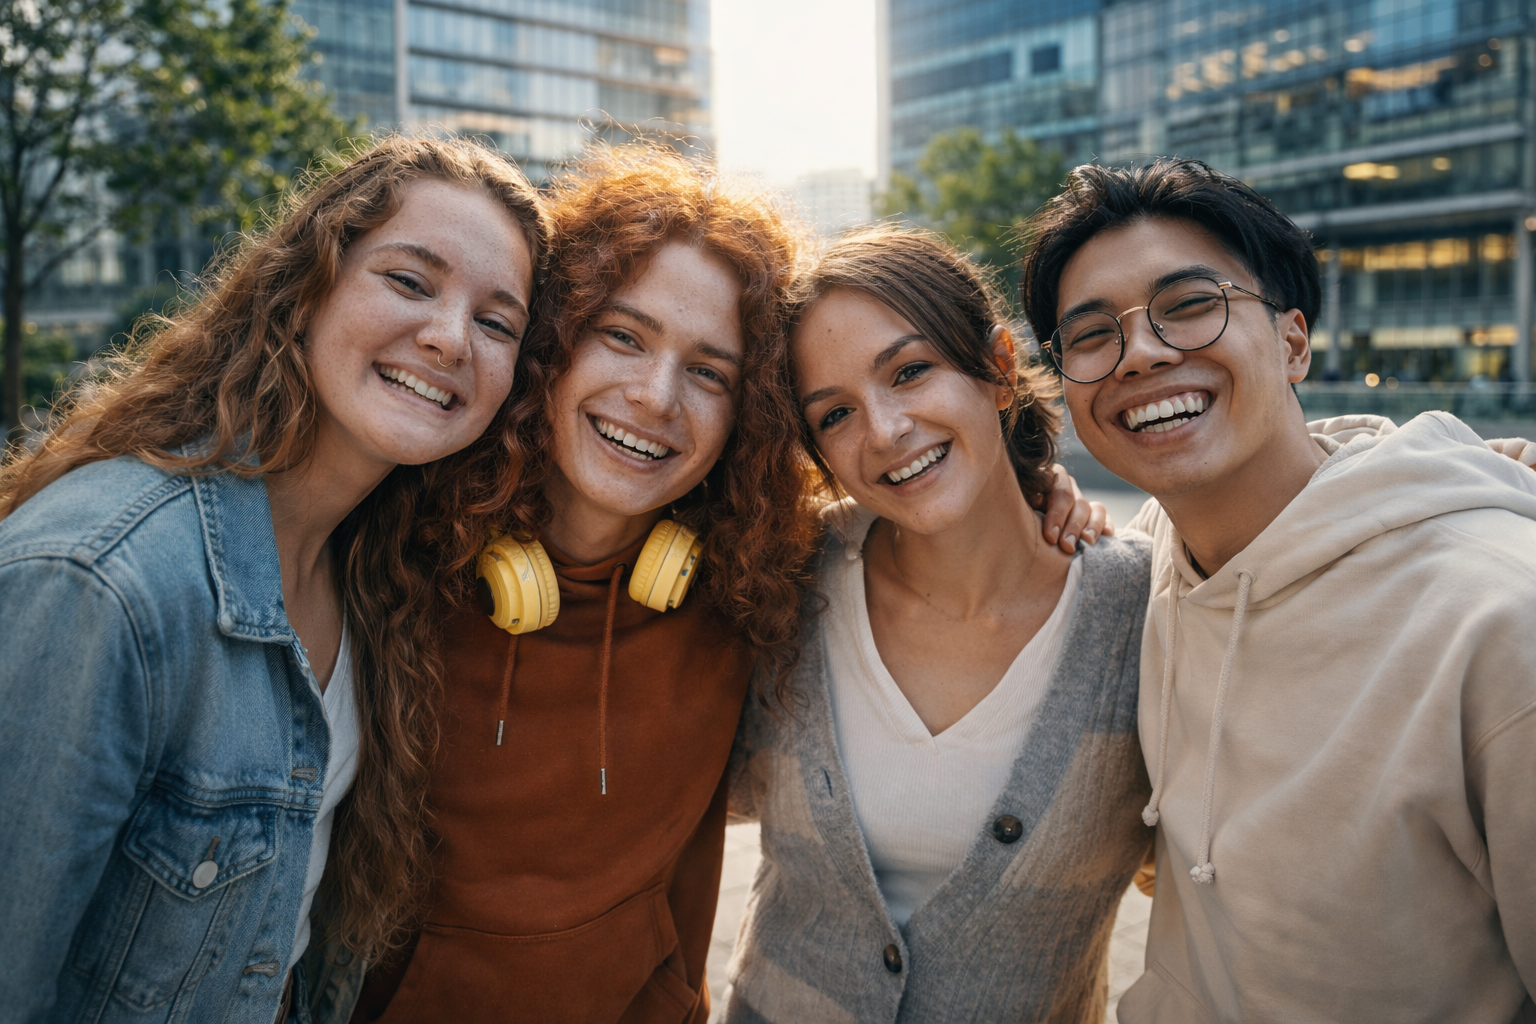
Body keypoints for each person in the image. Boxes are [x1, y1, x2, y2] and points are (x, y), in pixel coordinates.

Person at [0, 136, 547, 1024]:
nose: (450, 337)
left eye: (497, 322)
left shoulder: (370, 576)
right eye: (410, 281)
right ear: (306, 287)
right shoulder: (98, 584)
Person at [1019, 157, 1536, 1022]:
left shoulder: (1499, 621)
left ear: (1294, 341)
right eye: (1092, 334)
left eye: (1189, 306)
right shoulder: (1142, 566)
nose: (1141, 352)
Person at [724, 228, 1144, 1023]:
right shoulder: (783, 576)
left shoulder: (1140, 613)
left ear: (997, 367)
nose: (883, 431)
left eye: (911, 371)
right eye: (835, 414)